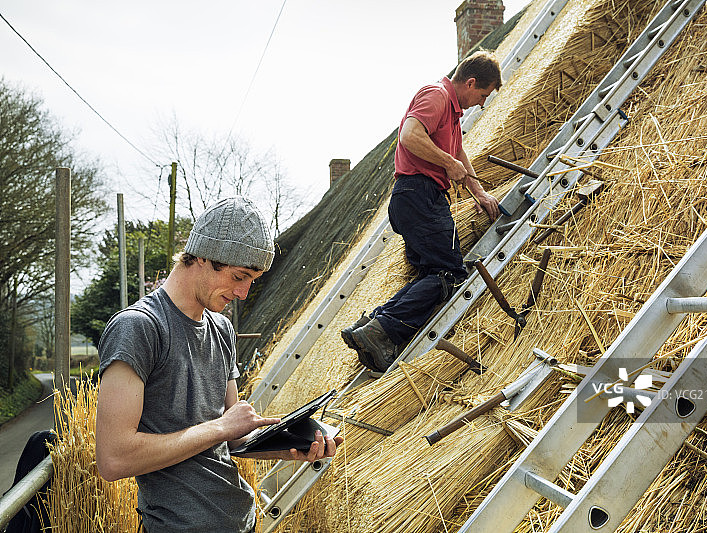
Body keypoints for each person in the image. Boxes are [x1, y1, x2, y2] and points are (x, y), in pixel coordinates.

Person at [95, 197, 343, 533]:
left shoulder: (221, 329)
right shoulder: (138, 327)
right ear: (201, 256)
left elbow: (234, 440)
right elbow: (113, 459)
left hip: (240, 519)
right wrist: (222, 428)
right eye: (239, 276)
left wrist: (287, 446)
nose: (243, 293)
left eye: (251, 280)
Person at [341, 50, 502, 372]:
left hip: (415, 197)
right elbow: (410, 135)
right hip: (420, 194)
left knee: (430, 273)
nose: (482, 103)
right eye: (482, 95)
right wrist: (447, 163)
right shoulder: (437, 95)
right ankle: (382, 330)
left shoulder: (451, 114)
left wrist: (478, 191)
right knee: (450, 273)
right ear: (470, 83)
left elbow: (456, 151)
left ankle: (370, 324)